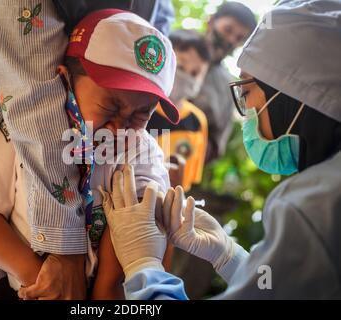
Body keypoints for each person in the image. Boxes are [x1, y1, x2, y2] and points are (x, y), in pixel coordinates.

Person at [0, 0, 172, 300]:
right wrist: (38, 278)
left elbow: (135, 227)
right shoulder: (16, 137)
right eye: (111, 107)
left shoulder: (140, 152)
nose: (120, 127)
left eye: (141, 115)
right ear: (64, 80)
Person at [100, 0, 341, 299]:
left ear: (291, 98)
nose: (246, 113)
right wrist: (230, 256)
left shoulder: (317, 210)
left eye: (247, 93)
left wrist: (145, 267)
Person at [193, 2, 256, 163]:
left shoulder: (229, 86)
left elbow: (216, 144)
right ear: (211, 21)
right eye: (228, 30)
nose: (230, 40)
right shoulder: (172, 48)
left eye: (239, 38)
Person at [147, 29, 210, 190]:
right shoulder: (142, 108)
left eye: (195, 73)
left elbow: (188, 181)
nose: (187, 77)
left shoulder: (198, 121)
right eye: (181, 67)